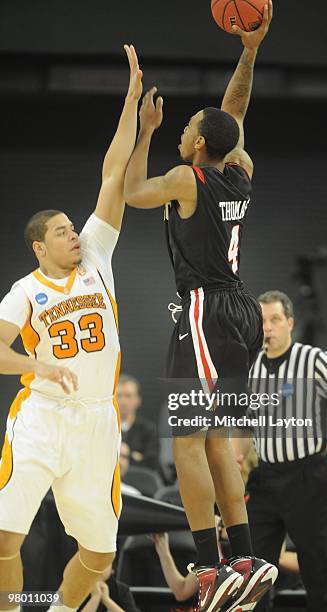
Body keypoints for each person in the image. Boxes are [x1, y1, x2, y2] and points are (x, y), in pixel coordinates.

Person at [124, 5, 278, 610]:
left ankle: (211, 569)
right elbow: (231, 117)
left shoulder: (186, 179)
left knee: (187, 442)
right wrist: (249, 51)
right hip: (239, 310)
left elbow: (134, 192)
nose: (185, 127)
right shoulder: (239, 171)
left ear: (195, 144)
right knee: (217, 441)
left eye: (188, 125)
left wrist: (144, 132)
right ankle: (244, 557)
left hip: (204, 311)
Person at [0, 45, 143, 612]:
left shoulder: (96, 261)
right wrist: (35, 364)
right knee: (6, 536)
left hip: (96, 422)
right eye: (61, 232)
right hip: (41, 417)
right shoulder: (24, 291)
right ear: (40, 245)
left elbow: (113, 174)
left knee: (100, 554)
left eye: (72, 227)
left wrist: (130, 103)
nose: (72, 235)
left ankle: (59, 610)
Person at [233, 290, 327, 612]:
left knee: (320, 569)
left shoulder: (313, 360)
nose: (267, 327)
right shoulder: (250, 367)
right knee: (252, 569)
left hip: (308, 475)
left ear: (290, 322)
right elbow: (244, 425)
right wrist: (234, 462)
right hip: (265, 478)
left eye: (275, 319)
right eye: (262, 321)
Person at [116, 373, 159, 471]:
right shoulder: (105, 429)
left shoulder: (148, 430)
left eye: (128, 396)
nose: (123, 401)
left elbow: (152, 463)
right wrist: (135, 456)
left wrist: (127, 455)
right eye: (119, 396)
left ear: (138, 399)